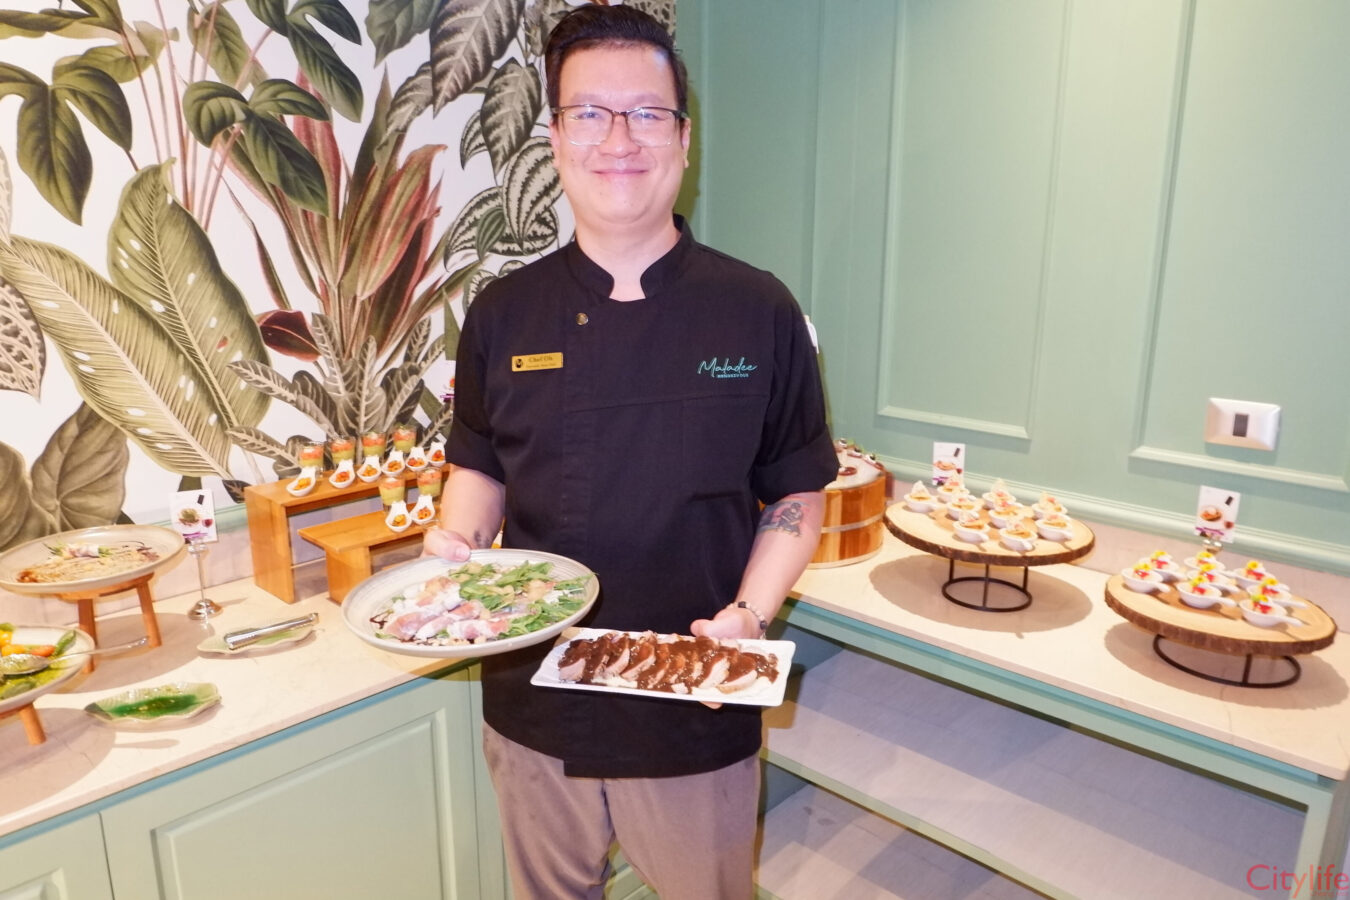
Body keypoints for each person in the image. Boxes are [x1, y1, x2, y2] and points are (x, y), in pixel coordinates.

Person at [423, 6, 837, 898]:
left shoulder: (758, 309)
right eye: (590, 113)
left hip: (695, 696)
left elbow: (797, 495)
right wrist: (456, 545)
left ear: (684, 139)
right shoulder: (501, 313)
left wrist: (751, 616)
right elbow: (480, 465)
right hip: (534, 696)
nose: (619, 139)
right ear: (555, 137)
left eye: (647, 113)